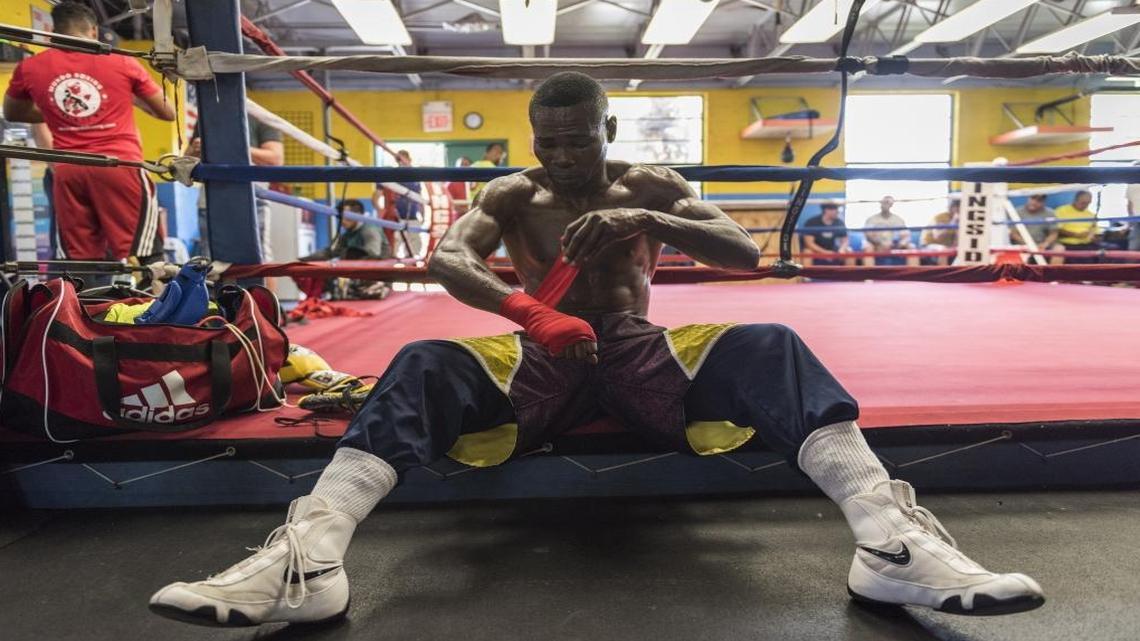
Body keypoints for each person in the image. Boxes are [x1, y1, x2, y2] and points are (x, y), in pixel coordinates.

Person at [149, 71, 1044, 627]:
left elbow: (743, 252)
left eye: (580, 140)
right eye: (550, 141)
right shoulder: (513, 190)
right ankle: (310, 559)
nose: (565, 156)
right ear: (532, 139)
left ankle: (887, 546)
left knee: (772, 342)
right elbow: (449, 257)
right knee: (423, 361)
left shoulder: (651, 183)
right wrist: (530, 314)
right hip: (541, 365)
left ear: (609, 132)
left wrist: (646, 217)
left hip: (646, 359)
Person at [2, 1, 175, 263]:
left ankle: (85, 305)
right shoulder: (122, 61)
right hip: (120, 165)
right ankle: (151, 304)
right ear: (93, 31)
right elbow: (167, 112)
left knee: (80, 261)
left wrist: (57, 112)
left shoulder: (31, 67)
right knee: (146, 255)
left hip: (70, 171)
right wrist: (125, 99)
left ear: (53, 31)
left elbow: (12, 112)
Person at [186, 115, 285, 261]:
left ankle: (260, 285)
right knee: (211, 258)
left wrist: (227, 145)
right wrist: (195, 150)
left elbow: (275, 159)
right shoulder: (206, 116)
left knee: (259, 258)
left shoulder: (261, 117)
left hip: (251, 195)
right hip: (211, 196)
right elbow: (187, 161)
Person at [294, 199, 391, 301]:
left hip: (374, 276)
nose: (342, 221)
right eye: (340, 217)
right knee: (318, 274)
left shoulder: (370, 231)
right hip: (356, 274)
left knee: (341, 276)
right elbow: (329, 252)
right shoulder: (347, 234)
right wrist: (303, 261)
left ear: (357, 215)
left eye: (345, 217)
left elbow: (373, 256)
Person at [372, 149, 423, 258]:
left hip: (413, 217)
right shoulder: (391, 175)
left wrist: (422, 214)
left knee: (414, 250)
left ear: (409, 159)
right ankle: (392, 270)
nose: (401, 162)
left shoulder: (416, 176)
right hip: (394, 218)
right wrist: (380, 210)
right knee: (393, 248)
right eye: (398, 160)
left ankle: (413, 271)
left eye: (403, 159)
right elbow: (376, 195)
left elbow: (420, 198)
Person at [862, 196, 916, 266]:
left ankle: (912, 275)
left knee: (912, 247)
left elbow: (906, 235)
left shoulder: (898, 219)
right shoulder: (872, 219)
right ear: (880, 203)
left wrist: (902, 242)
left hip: (895, 247)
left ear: (892, 205)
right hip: (877, 246)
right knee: (867, 247)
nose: (886, 204)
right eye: (884, 202)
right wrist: (880, 244)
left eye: (888, 202)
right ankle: (869, 275)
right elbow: (868, 234)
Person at [1011, 194, 1062, 265]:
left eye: (1039, 200)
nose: (1034, 202)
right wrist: (1029, 245)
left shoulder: (1050, 213)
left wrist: (1045, 244)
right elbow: (1014, 234)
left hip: (1042, 245)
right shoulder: (1016, 212)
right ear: (1028, 198)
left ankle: (1053, 275)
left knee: (1059, 249)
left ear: (1043, 202)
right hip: (1022, 244)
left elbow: (1053, 233)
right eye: (1033, 198)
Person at [1055, 190, 1100, 264]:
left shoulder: (1091, 215)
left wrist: (1093, 237)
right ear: (1075, 200)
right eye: (1083, 203)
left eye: (1088, 203)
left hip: (1087, 244)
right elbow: (1056, 229)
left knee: (1105, 253)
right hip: (1068, 244)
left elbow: (1096, 232)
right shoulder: (1062, 211)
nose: (1085, 205)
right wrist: (1076, 235)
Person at [800, 202, 851, 266]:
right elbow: (809, 243)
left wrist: (842, 249)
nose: (838, 211)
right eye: (835, 209)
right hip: (816, 250)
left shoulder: (839, 222)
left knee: (849, 251)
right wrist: (825, 252)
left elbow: (845, 240)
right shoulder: (812, 222)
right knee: (807, 252)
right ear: (826, 210)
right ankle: (806, 275)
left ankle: (850, 275)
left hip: (832, 249)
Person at [920, 200, 959, 266]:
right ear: (951, 207)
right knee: (943, 249)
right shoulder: (940, 217)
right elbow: (937, 236)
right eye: (956, 207)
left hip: (947, 245)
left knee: (960, 250)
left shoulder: (961, 219)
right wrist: (953, 222)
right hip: (929, 244)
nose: (958, 210)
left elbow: (956, 240)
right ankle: (944, 273)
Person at [1126, 169, 1140, 252]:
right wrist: (1129, 222)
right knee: (1133, 249)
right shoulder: (1131, 185)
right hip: (1136, 220)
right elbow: (1129, 205)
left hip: (1135, 220)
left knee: (1133, 248)